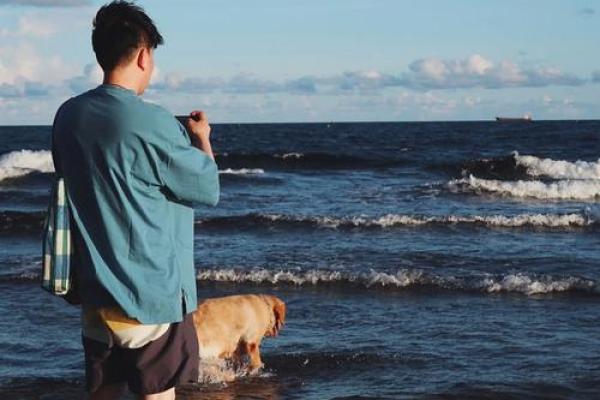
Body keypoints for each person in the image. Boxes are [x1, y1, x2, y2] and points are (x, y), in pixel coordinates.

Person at [50, 1, 220, 399]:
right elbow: (207, 188)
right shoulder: (153, 120)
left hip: (95, 296)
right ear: (143, 55)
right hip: (148, 296)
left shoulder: (67, 116)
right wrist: (201, 139)